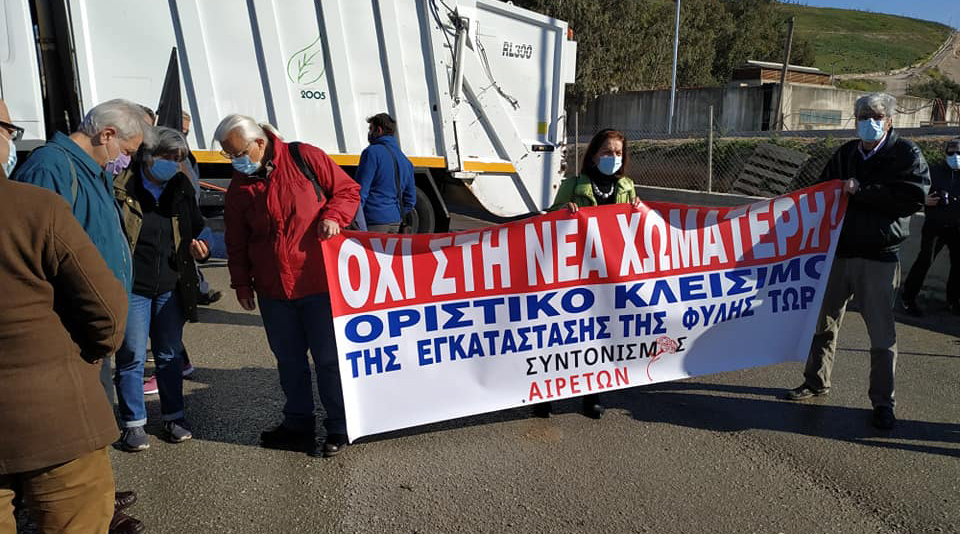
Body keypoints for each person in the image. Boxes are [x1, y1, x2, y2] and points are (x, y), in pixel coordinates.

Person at [10, 98, 148, 533]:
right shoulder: (51, 169)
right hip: (73, 332)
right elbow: (34, 257)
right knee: (70, 434)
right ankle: (62, 504)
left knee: (92, 420)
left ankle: (98, 498)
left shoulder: (93, 170)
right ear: (106, 135)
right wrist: (97, 328)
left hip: (90, 326)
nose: (127, 161)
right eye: (128, 150)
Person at [216, 114, 360, 457]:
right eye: (228, 155)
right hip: (273, 289)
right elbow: (236, 238)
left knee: (329, 360)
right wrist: (241, 284)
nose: (235, 162)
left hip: (319, 283)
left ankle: (340, 426)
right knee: (289, 361)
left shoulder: (305, 157)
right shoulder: (240, 184)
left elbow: (347, 191)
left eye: (238, 153)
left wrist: (333, 216)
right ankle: (298, 423)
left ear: (260, 143)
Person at [784, 93, 930, 430]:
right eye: (863, 117)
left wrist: (862, 191)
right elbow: (822, 190)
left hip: (879, 257)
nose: (869, 123)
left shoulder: (905, 154)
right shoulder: (846, 153)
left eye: (876, 117)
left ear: (889, 121)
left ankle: (883, 402)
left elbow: (913, 197)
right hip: (840, 253)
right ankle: (815, 381)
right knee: (824, 324)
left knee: (881, 335)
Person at [534, 128, 643, 420]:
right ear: (594, 155)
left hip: (607, 275)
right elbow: (548, 223)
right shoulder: (573, 185)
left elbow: (635, 230)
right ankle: (546, 394)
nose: (613, 157)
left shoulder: (627, 188)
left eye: (618, 153)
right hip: (572, 273)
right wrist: (563, 211)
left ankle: (590, 395)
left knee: (597, 336)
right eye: (607, 152)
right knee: (562, 335)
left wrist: (639, 210)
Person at [113, 127, 210, 451]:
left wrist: (202, 248)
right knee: (131, 355)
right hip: (133, 285)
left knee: (169, 354)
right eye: (168, 157)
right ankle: (133, 424)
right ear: (148, 155)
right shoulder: (122, 185)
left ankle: (174, 417)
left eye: (179, 158)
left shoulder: (180, 185)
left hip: (171, 284)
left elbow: (198, 227)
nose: (174, 163)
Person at [901, 137, 960, 316]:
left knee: (958, 264)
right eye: (951, 152)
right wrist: (924, 199)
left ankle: (954, 301)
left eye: (959, 152)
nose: (955, 156)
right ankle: (908, 298)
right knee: (925, 260)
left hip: (957, 227)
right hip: (935, 225)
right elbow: (914, 190)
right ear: (945, 153)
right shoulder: (933, 171)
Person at [356, 113, 415, 233]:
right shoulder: (405, 160)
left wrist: (357, 222)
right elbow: (410, 200)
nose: (369, 133)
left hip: (373, 221)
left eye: (371, 129)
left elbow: (360, 192)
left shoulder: (371, 153)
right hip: (396, 222)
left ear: (379, 130)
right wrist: (397, 213)